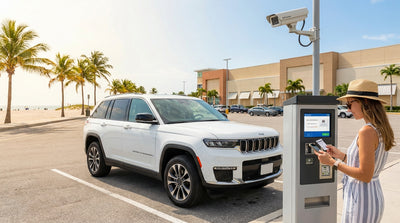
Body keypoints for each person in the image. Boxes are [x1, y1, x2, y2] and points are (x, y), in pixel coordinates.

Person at [314, 79, 395, 223]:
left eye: (350, 104)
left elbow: (365, 175)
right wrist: (341, 156)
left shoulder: (367, 131)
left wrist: (332, 162)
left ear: (365, 102)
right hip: (371, 196)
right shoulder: (379, 128)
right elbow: (367, 164)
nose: (348, 109)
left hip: (362, 201)